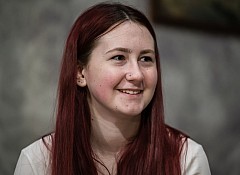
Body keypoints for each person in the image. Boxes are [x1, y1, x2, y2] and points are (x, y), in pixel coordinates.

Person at [14, 2, 211, 175]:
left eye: (146, 59)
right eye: (119, 57)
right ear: (80, 73)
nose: (137, 74)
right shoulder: (38, 162)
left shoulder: (186, 158)